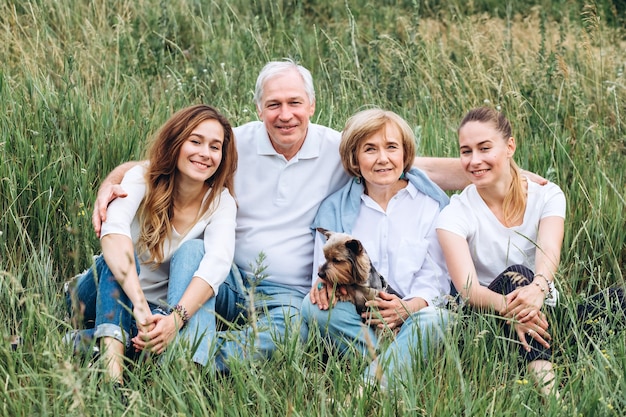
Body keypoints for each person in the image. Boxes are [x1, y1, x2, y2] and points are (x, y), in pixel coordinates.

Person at [89, 59, 530, 372]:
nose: (286, 115)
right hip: (227, 279)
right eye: (274, 104)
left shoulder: (337, 150)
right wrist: (115, 180)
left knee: (290, 337)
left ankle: (165, 350)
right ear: (259, 108)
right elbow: (168, 159)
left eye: (295, 103)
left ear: (312, 106)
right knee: (194, 254)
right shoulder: (231, 145)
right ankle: (180, 350)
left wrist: (504, 168)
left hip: (288, 294)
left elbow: (407, 165)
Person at [66, 104, 238, 383]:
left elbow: (218, 262)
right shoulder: (141, 177)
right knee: (121, 253)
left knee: (157, 331)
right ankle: (113, 380)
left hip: (154, 311)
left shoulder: (220, 202)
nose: (205, 154)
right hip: (99, 294)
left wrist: (174, 320)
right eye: (195, 141)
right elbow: (113, 232)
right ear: (176, 141)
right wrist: (139, 306)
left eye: (215, 147)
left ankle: (80, 343)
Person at [302, 108, 453, 390]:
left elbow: (439, 277)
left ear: (404, 154)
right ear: (355, 159)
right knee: (313, 310)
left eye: (391, 147)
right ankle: (402, 363)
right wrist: (327, 290)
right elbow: (323, 275)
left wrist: (408, 307)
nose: (383, 158)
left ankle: (369, 387)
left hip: (416, 314)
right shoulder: (334, 210)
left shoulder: (430, 205)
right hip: (361, 317)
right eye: (370, 149)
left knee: (435, 321)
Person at [435, 106, 564, 396]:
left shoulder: (548, 195)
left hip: (543, 304)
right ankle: (554, 400)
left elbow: (549, 250)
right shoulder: (454, 214)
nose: (474, 160)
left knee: (619, 299)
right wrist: (519, 307)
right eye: (466, 151)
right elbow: (468, 290)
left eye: (484, 148)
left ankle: (544, 350)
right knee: (517, 276)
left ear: (510, 146)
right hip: (484, 319)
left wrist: (538, 292)